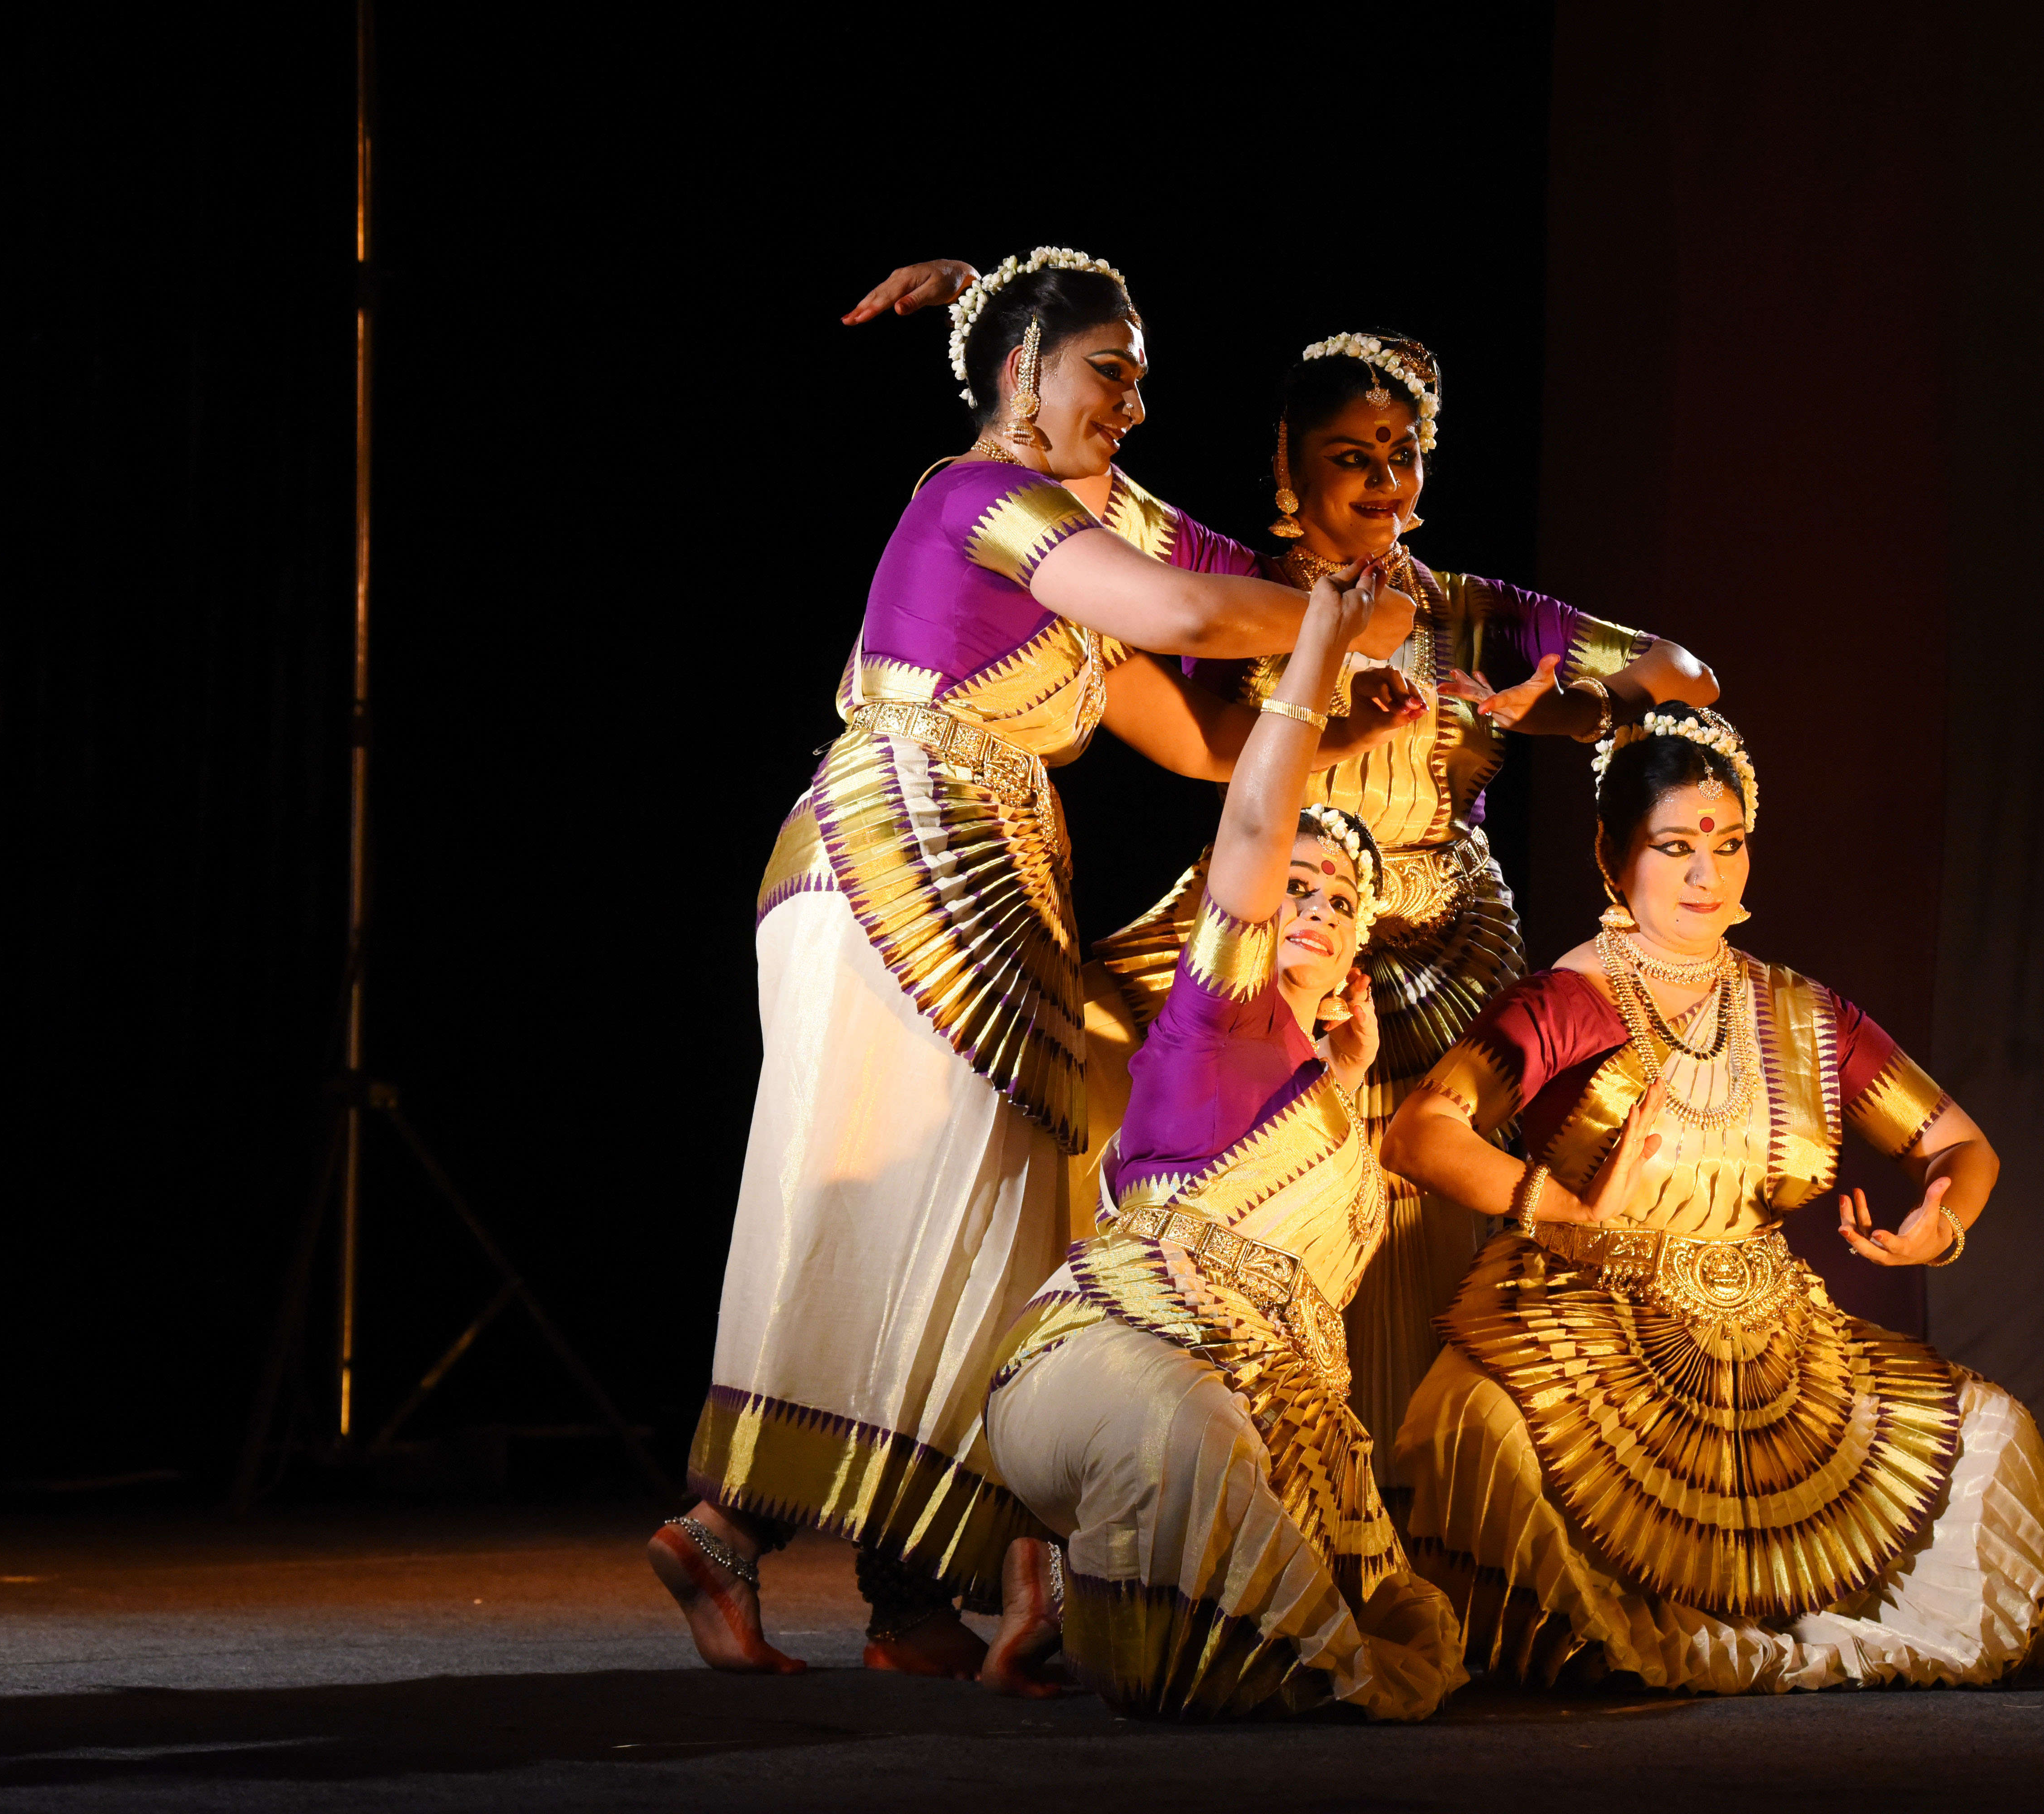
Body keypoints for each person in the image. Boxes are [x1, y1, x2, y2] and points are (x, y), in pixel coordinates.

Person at [647, 249, 1415, 1678]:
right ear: (1021, 377)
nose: (1133, 401)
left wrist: (1357, 712)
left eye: (1139, 376)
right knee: (910, 1210)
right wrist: (1345, 622)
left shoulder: (1086, 543)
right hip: (904, 850)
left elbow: (1199, 736)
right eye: (1106, 370)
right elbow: (1197, 620)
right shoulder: (978, 497)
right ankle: (730, 1533)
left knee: (1001, 1217)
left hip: (990, 862)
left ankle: (926, 1595)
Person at [1088, 331, 1721, 1456]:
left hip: (1437, 935)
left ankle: (1416, 1496)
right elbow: (1084, 500)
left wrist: (1562, 707)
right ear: (1287, 467)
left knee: (1424, 1178)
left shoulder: (1467, 614)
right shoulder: (1237, 590)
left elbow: (1685, 677)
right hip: (1278, 921)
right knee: (1098, 1064)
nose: (1383, 482)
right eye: (1351, 456)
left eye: (1402, 453)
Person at [1379, 704, 2044, 1692]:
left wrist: (1942, 1219)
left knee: (1995, 1432)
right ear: (1610, 855)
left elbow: (1960, 1145)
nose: (1705, 876)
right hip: (1586, 1319)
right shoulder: (1564, 1001)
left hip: (1773, 1336)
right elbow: (1420, 1132)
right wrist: (1559, 1213)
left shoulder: (1801, 1012)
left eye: (1727, 844)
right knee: (1480, 1432)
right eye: (1674, 848)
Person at [977, 558, 1465, 1720]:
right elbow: (1254, 814)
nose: (1312, 904)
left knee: (1373, 1598)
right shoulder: (1214, 1008)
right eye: (1293, 884)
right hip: (1103, 1357)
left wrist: (1344, 1085)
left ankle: (1053, 1593)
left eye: (1341, 900)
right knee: (1182, 1429)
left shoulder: (1344, 1112)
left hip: (1262, 1405)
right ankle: (1077, 1586)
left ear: (1358, 951)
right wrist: (1317, 656)